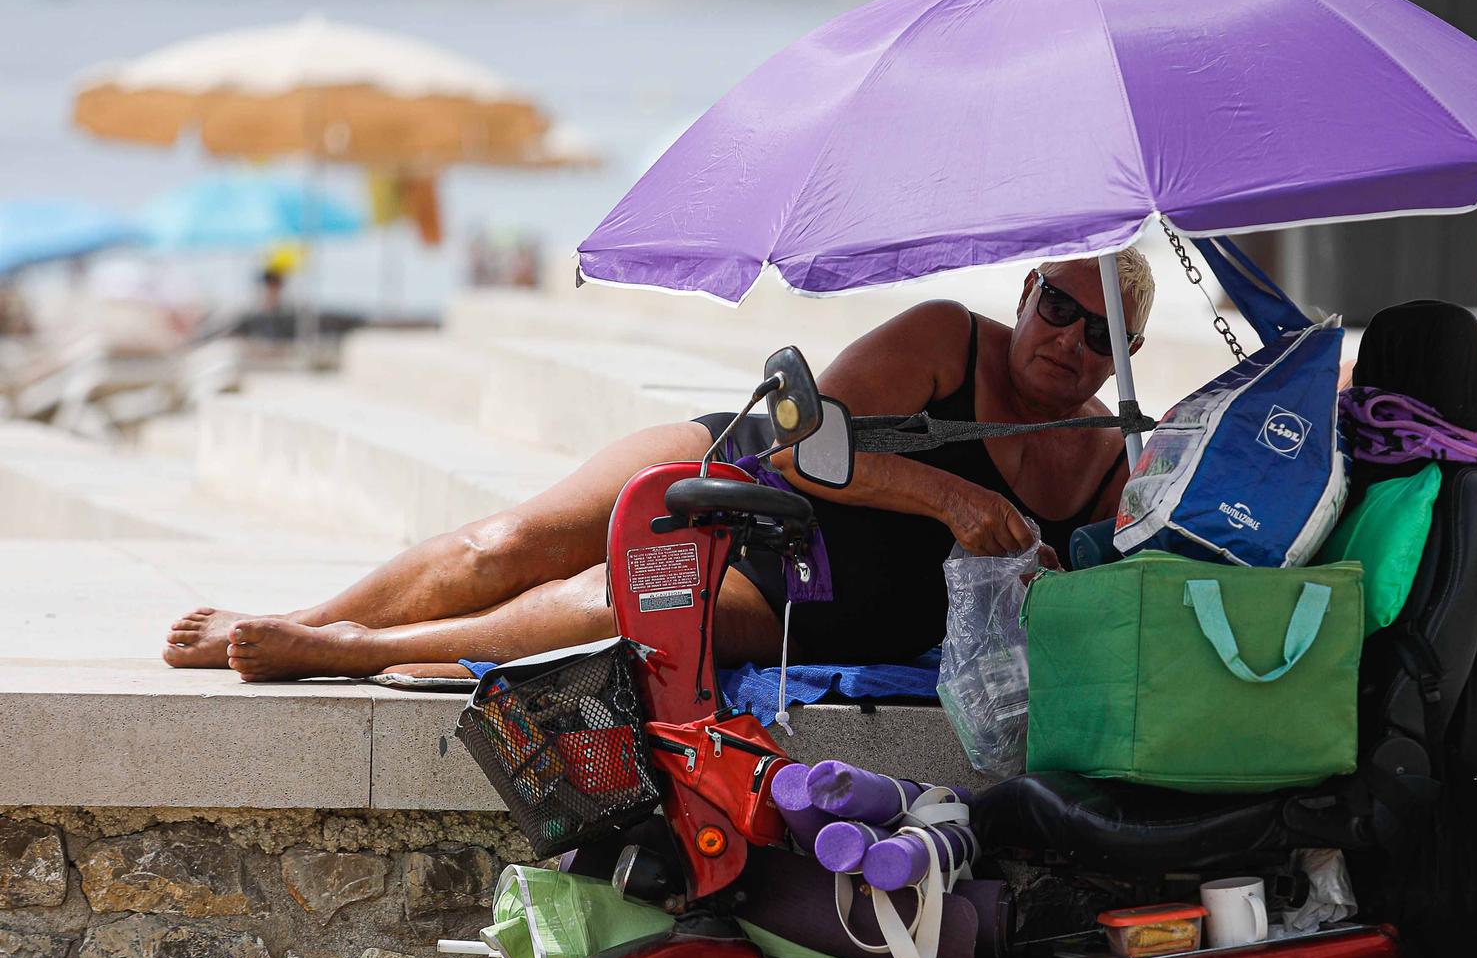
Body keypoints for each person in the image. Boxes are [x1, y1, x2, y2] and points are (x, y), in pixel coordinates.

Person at [163, 249, 1153, 680]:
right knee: (513, 538)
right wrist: (950, 496)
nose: (1068, 341)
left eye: (1100, 335)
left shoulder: (1111, 463)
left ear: (1125, 360)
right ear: (1025, 296)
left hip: (831, 596)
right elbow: (805, 440)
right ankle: (303, 616)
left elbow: (1091, 605)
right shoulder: (946, 336)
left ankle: (344, 650)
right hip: (753, 464)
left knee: (617, 599)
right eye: (1056, 308)